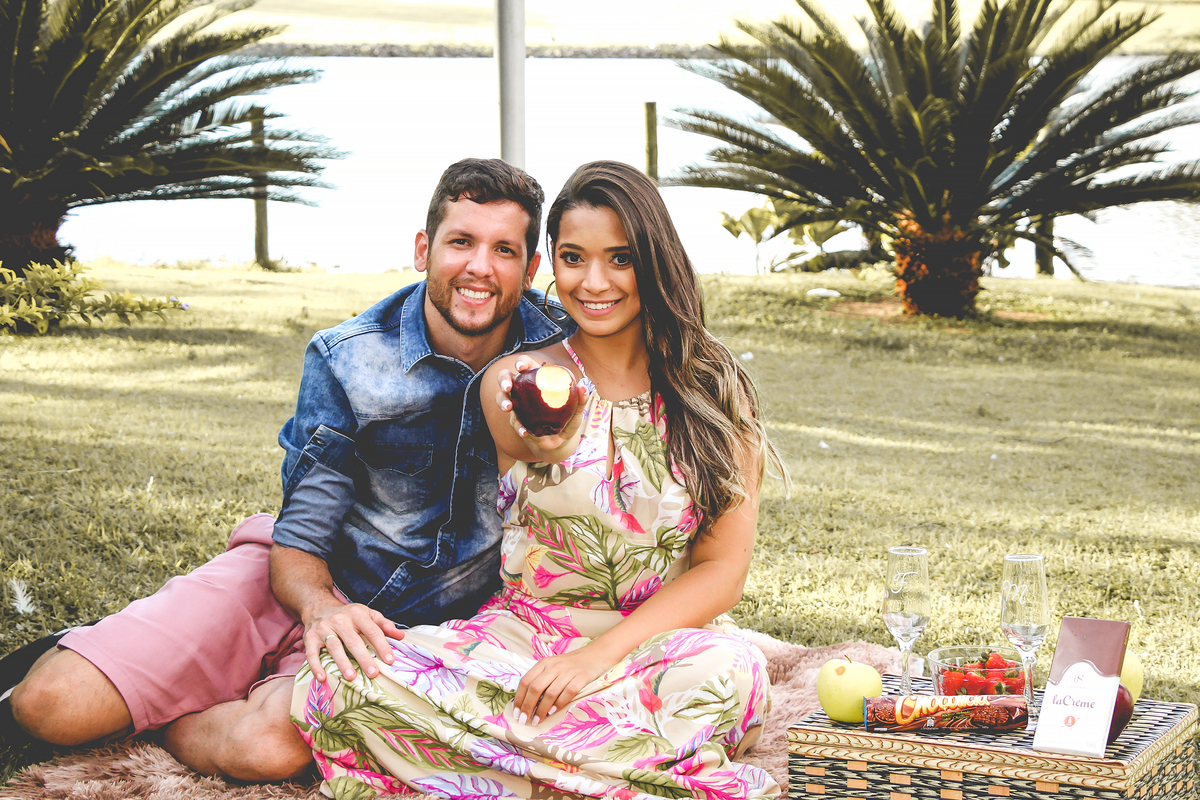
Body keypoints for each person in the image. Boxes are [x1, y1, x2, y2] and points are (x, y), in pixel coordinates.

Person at [2, 158, 572, 781]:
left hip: (409, 634)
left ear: (530, 269)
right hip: (299, 582)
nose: (480, 267)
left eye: (504, 250)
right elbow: (302, 530)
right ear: (422, 249)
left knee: (268, 750)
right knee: (48, 706)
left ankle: (178, 703)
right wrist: (319, 607)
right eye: (461, 242)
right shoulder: (349, 358)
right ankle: (137, 650)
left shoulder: (565, 354)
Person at [291, 161, 789, 799]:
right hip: (523, 644)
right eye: (573, 258)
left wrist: (595, 659)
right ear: (551, 263)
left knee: (728, 672)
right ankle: (620, 777)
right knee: (341, 683)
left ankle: (503, 774)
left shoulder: (713, 391)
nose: (594, 282)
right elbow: (535, 435)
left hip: (662, 650)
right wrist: (552, 434)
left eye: (620, 259)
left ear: (655, 261)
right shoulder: (517, 378)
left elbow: (722, 572)